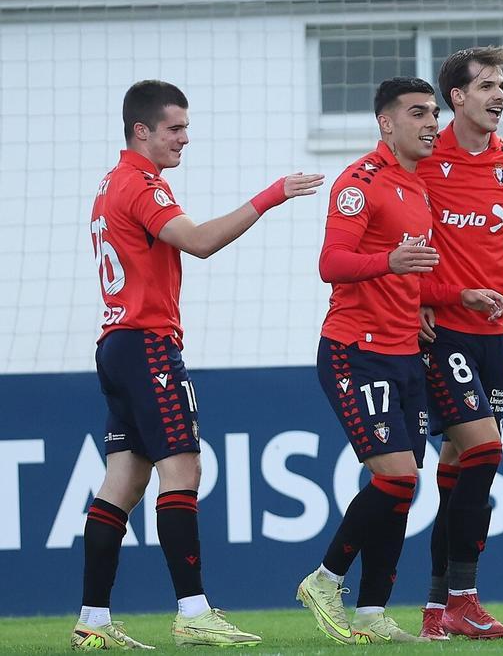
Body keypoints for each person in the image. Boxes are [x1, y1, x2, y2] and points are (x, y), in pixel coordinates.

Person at [76, 79, 323, 650]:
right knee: (182, 470)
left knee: (123, 480)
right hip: (145, 345)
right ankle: (192, 612)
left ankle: (92, 623)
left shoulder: (113, 182)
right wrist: (272, 195)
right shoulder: (140, 184)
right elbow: (201, 241)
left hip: (115, 345)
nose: (185, 139)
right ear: (141, 130)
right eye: (175, 128)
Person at [295, 76, 503, 645]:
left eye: (433, 112)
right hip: (354, 351)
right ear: (386, 122)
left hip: (406, 354)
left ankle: (370, 613)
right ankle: (324, 578)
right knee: (395, 479)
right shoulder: (360, 182)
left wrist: (456, 295)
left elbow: (417, 277)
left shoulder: (417, 189)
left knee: (403, 487)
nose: (431, 122)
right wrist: (388, 260)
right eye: (417, 113)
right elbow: (331, 263)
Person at [414, 45, 503, 641]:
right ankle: (464, 596)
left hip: (497, 336)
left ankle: (437, 608)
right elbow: (400, 242)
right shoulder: (422, 160)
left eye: (502, 85)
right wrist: (420, 303)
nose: (499, 95)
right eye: (486, 85)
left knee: (460, 464)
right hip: (444, 334)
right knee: (486, 453)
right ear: (456, 98)